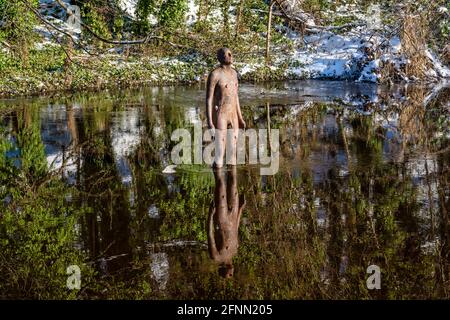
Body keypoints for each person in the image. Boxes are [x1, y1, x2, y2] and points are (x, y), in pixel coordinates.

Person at [205, 48, 246, 167]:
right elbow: (209, 99)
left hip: (233, 115)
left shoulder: (234, 73)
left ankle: (232, 183)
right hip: (220, 115)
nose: (228, 56)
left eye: (230, 54)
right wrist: (210, 123)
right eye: (225, 54)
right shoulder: (215, 74)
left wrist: (240, 118)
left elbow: (235, 96)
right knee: (220, 154)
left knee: (232, 155)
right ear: (219, 58)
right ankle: (218, 182)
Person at [207, 166, 245, 278]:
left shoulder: (216, 256)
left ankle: (216, 158)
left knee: (221, 184)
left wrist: (210, 214)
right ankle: (231, 154)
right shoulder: (234, 252)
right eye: (232, 275)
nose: (231, 274)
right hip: (233, 216)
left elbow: (209, 234)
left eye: (229, 276)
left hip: (221, 219)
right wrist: (241, 209)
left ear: (223, 271)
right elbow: (236, 230)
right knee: (233, 181)